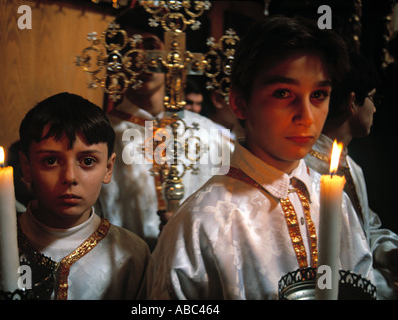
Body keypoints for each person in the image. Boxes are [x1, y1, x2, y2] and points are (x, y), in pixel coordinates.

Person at [146, 16, 375, 299]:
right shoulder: (201, 224)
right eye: (283, 93)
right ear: (239, 102)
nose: (306, 117)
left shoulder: (334, 199)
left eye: (318, 94)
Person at [0, 92, 151, 300]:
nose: (69, 177)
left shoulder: (131, 256)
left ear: (108, 168)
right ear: (27, 167)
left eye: (87, 161)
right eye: (50, 161)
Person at [95, 6, 231, 250]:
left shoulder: (210, 134)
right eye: (129, 47)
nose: (141, 58)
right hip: (125, 270)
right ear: (116, 57)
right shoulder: (98, 136)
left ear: (171, 50)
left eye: (150, 45)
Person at [305, 53, 398, 299]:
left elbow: (366, 227)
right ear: (352, 101)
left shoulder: (352, 166)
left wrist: (388, 252)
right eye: (372, 97)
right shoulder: (307, 170)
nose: (375, 107)